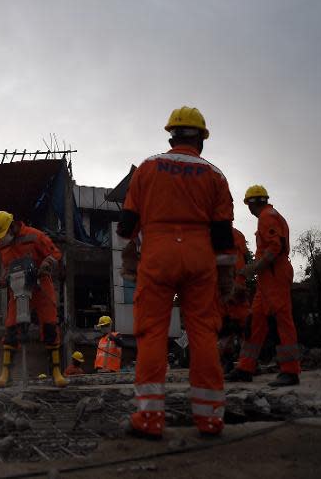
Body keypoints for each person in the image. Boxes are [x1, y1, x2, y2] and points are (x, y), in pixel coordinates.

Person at [117, 106, 235, 438]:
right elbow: (224, 234)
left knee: (152, 332)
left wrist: (131, 250)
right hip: (200, 257)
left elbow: (126, 226)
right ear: (201, 140)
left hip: (158, 254)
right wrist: (226, 275)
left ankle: (150, 418)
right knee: (202, 333)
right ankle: (210, 418)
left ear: (171, 135)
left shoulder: (148, 168)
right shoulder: (216, 175)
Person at [226, 185, 300, 387]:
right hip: (267, 277)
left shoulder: (267, 216)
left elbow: (275, 246)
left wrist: (255, 267)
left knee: (281, 320)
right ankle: (245, 368)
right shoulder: (269, 216)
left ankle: (291, 371)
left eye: (248, 204)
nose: (248, 209)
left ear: (252, 203)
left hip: (275, 274)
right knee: (255, 321)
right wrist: (256, 269)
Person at [0, 210, 67, 388]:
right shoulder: (2, 245)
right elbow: (6, 267)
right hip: (18, 288)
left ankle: (56, 372)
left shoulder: (34, 236)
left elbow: (55, 254)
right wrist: (3, 278)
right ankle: (6, 374)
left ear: (12, 225)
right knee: (10, 327)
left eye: (4, 233)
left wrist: (48, 263)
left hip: (40, 285)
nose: (2, 238)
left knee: (49, 325)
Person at [217, 228, 251, 372]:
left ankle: (232, 363)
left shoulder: (215, 234)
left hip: (228, 288)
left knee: (228, 327)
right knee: (242, 327)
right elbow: (244, 260)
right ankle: (247, 364)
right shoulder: (239, 235)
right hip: (236, 286)